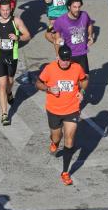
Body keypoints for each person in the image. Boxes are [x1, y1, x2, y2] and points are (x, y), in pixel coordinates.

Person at [35, 45, 88, 186]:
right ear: (57, 57)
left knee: (69, 139)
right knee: (56, 136)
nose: (65, 62)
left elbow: (84, 80)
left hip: (72, 109)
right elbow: (38, 83)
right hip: (54, 110)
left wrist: (81, 92)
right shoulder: (50, 69)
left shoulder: (76, 68)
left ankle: (65, 172)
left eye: (68, 59)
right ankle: (54, 142)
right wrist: (48, 88)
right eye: (63, 59)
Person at [0, 0, 31, 126]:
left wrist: (18, 37)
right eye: (3, 10)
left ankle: (9, 92)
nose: (5, 13)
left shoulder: (16, 21)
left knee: (10, 81)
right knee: (2, 84)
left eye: (7, 10)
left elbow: (28, 35)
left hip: (12, 56)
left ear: (11, 9)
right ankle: (5, 114)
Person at [51, 0, 94, 73]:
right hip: (68, 55)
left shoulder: (84, 15)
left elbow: (89, 24)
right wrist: (58, 55)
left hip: (82, 53)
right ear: (69, 7)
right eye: (74, 7)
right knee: (70, 79)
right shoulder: (61, 20)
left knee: (84, 78)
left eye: (79, 7)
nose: (77, 9)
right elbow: (54, 38)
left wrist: (90, 36)